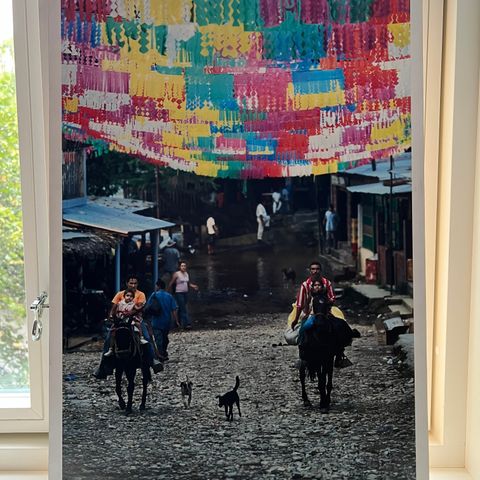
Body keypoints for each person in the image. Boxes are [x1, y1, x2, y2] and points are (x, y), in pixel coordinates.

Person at [104, 288, 148, 357]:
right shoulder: (119, 302)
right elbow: (114, 309)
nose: (129, 298)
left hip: (130, 319)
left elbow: (137, 309)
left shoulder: (136, 300)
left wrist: (141, 307)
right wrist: (112, 316)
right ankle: (110, 350)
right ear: (124, 296)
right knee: (111, 334)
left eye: (131, 297)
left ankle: (142, 341)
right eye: (127, 296)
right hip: (120, 320)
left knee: (143, 332)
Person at [291, 261, 335, 330]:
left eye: (317, 269)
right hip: (310, 313)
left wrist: (325, 303)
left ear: (320, 270)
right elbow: (300, 304)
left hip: (325, 313)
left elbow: (332, 298)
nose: (315, 271)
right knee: (305, 327)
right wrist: (296, 319)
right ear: (310, 271)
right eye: (313, 269)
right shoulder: (305, 285)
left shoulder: (327, 283)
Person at [144, 279, 180, 360]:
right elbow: (174, 309)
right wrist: (176, 320)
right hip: (167, 321)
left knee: (158, 339)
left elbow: (148, 307)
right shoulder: (169, 296)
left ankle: (160, 355)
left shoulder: (154, 295)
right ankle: (163, 352)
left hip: (156, 321)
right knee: (165, 338)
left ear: (158, 286)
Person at [168, 260, 199, 329]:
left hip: (185, 292)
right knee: (183, 308)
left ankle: (176, 323)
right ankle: (187, 323)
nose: (183, 267)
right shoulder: (176, 274)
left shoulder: (186, 274)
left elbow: (188, 283)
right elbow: (171, 283)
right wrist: (168, 292)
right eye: (182, 266)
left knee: (181, 308)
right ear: (179, 267)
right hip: (179, 293)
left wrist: (194, 286)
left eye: (184, 266)